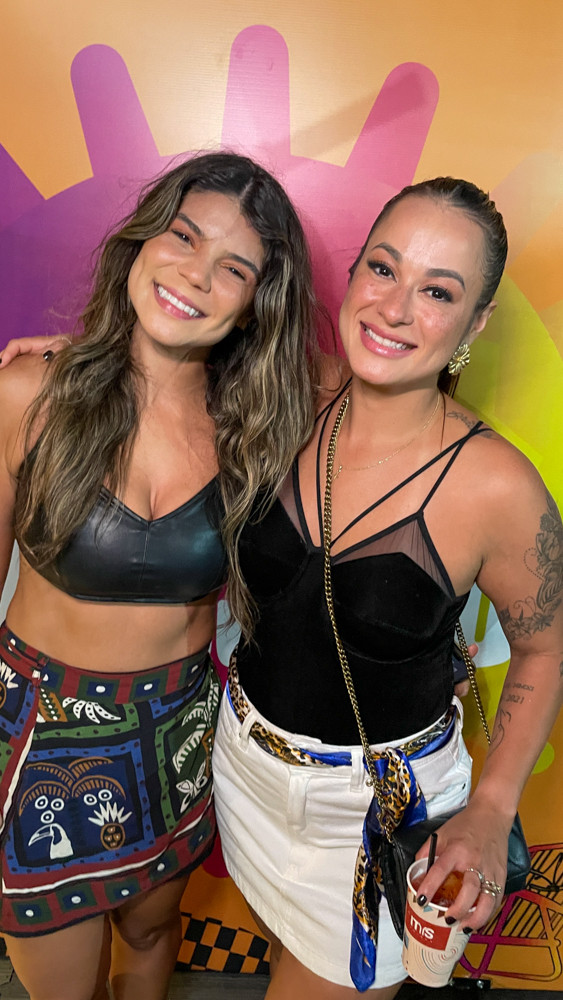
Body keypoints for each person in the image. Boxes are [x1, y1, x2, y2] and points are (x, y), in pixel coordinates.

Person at [208, 179, 563, 998]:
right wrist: (50, 366)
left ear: (475, 323)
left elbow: (545, 647)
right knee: (278, 951)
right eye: (383, 268)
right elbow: (159, 371)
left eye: (437, 292)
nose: (395, 308)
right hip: (243, 766)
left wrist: (492, 807)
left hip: (371, 817)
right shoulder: (294, 394)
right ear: (354, 271)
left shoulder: (495, 486)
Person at [0, 151, 320, 1000]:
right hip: (40, 737)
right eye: (182, 236)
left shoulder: (261, 430)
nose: (196, 274)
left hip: (177, 732)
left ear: (257, 303)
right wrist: (88, 357)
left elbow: (390, 387)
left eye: (235, 268)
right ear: (140, 242)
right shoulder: (27, 393)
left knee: (148, 937)